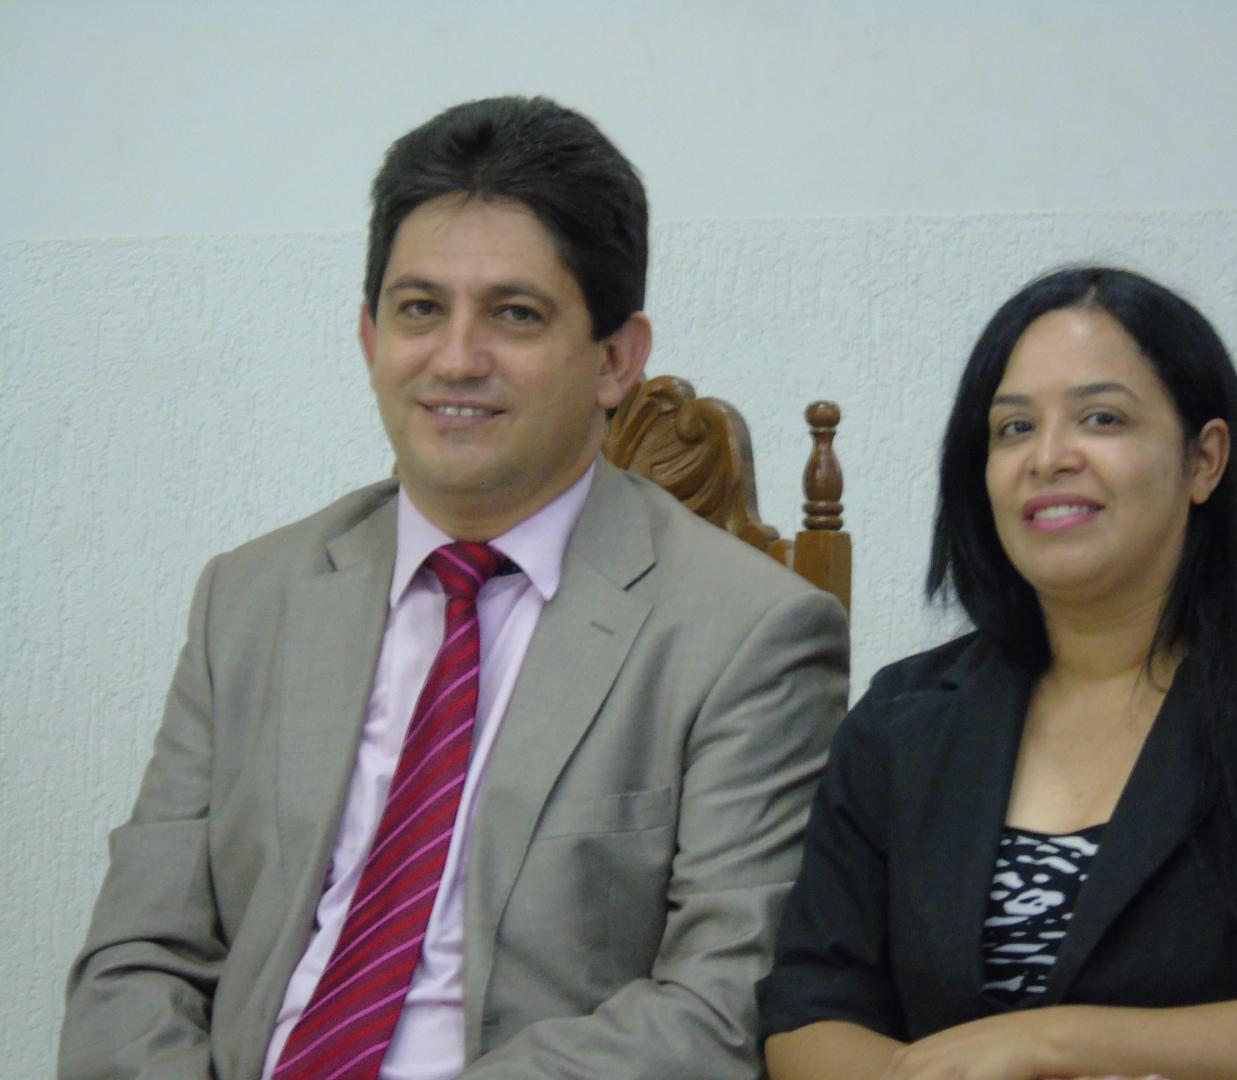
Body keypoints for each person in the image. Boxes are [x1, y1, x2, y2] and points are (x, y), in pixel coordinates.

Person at [60, 96, 848, 1080]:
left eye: (515, 314)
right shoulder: (251, 599)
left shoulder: (749, 633)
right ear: (370, 337)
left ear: (615, 359)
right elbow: (138, 957)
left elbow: (721, 1005)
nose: (456, 359)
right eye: (420, 310)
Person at [758, 266, 1237, 1080]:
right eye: (1014, 428)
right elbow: (808, 1015)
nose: (1048, 458)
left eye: (1101, 418)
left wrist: (1048, 1043)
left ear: (1204, 460)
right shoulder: (903, 718)